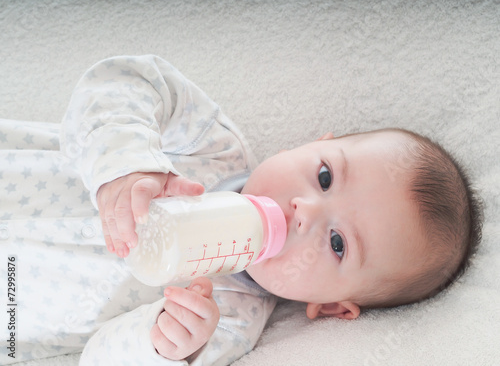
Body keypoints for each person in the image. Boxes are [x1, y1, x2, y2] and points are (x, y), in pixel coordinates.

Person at [0, 55, 482, 365]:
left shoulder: (226, 323)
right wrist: (126, 164)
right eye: (324, 177)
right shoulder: (209, 148)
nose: (305, 211)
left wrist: (163, 344)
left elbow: (97, 360)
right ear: (316, 143)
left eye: (337, 244)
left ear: (332, 308)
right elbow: (123, 81)